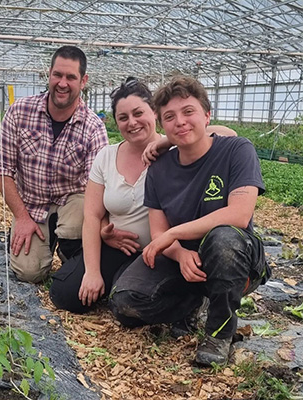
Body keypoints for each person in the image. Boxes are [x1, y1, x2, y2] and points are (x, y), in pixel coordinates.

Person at [110, 75, 271, 367]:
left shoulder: (237, 150)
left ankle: (219, 334)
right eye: (169, 116)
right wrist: (180, 251)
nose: (180, 122)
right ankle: (195, 303)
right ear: (162, 125)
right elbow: (159, 231)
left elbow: (239, 214)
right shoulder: (159, 170)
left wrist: (175, 233)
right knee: (125, 302)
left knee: (223, 239)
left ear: (207, 115)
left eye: (188, 112)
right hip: (182, 260)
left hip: (233, 257)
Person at [49, 77, 238, 314]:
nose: (132, 123)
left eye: (139, 113)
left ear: (155, 114)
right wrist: (93, 270)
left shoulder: (177, 148)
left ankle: (189, 302)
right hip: (118, 248)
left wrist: (166, 142)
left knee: (125, 301)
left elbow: (228, 133)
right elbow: (92, 214)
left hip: (161, 251)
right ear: (116, 122)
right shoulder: (106, 156)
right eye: (123, 118)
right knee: (65, 294)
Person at [0, 46, 108, 283]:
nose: (62, 83)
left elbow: (99, 187)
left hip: (71, 202)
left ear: (83, 81)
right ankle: (37, 237)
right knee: (28, 273)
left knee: (77, 222)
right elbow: (2, 170)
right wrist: (22, 217)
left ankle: (69, 249)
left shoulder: (93, 127)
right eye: (58, 75)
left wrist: (104, 227)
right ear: (49, 74)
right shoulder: (19, 112)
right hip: (31, 205)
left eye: (71, 77)